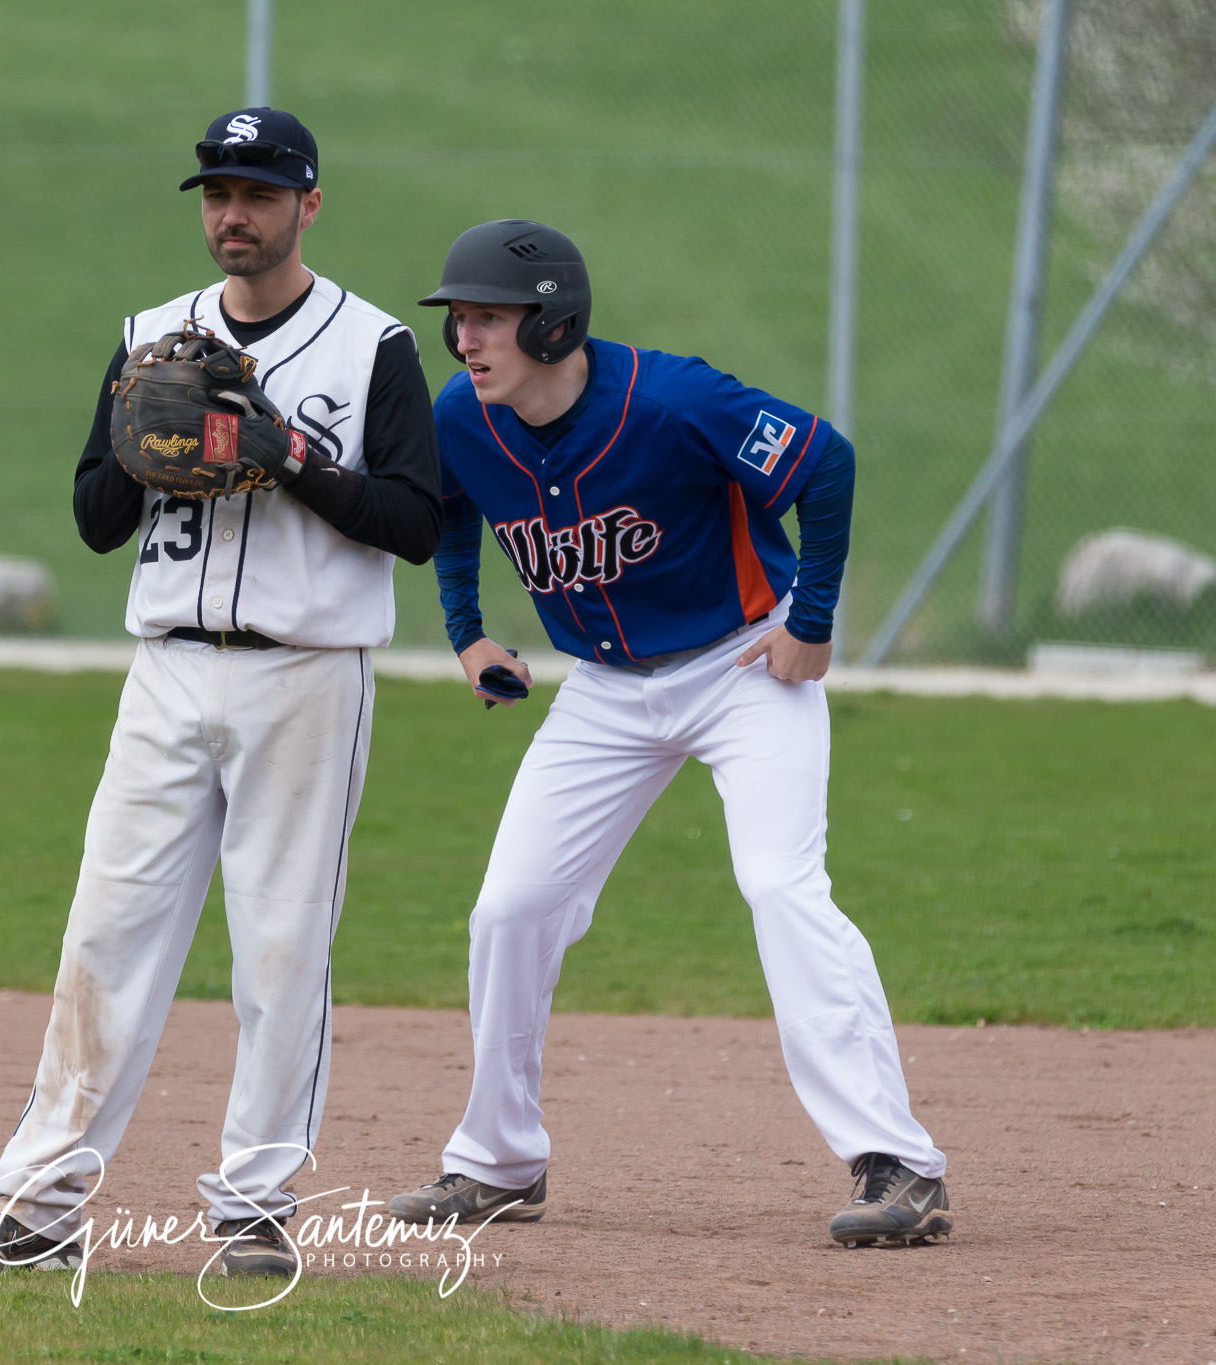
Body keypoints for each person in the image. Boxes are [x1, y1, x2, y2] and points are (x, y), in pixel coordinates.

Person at [0, 109, 442, 1279]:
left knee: (280, 949)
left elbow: (414, 523)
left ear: (308, 205)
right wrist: (147, 442)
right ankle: (40, 1203)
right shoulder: (152, 337)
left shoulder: (373, 347)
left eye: (257, 194)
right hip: (162, 672)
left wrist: (285, 455)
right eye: (216, 193)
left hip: (306, 675)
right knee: (104, 934)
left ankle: (256, 1205)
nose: (232, 215)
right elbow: (93, 520)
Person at [387, 220, 950, 1249]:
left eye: (487, 319)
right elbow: (451, 504)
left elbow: (824, 463)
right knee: (509, 908)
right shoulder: (465, 415)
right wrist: (467, 633)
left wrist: (813, 621)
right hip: (604, 691)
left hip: (742, 664)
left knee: (779, 885)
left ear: (553, 325)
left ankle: (898, 1163)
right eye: (457, 319)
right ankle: (499, 1162)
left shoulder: (673, 400)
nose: (464, 339)